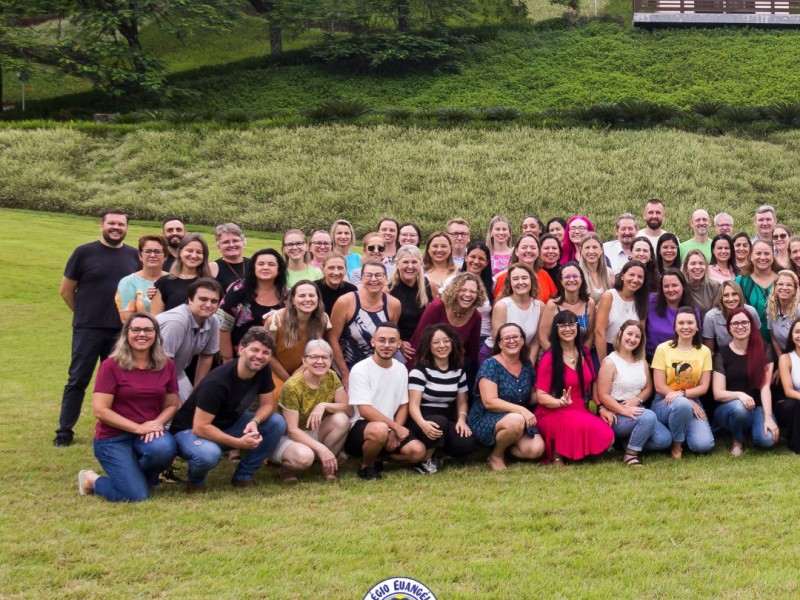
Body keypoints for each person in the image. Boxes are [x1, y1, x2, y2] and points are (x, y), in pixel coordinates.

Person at [55, 209, 140, 447]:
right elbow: (66, 291)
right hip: (88, 329)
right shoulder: (84, 252)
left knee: (119, 382)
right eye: (112, 223)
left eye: (121, 224)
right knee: (78, 378)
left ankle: (116, 429)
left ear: (126, 228)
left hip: (121, 331)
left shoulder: (133, 256)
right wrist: (84, 315)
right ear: (101, 225)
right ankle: (64, 431)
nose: (116, 228)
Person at [76, 313, 179, 501]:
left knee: (164, 448)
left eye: (148, 330)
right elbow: (100, 410)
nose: (142, 334)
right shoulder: (110, 366)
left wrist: (158, 423)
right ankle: (92, 480)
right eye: (136, 329)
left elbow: (172, 404)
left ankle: (144, 480)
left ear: (156, 334)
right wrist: (137, 428)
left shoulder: (167, 364)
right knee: (135, 496)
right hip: (113, 438)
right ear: (126, 333)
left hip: (148, 434)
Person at [170, 327, 286, 491]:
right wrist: (239, 443)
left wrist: (255, 421)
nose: (260, 356)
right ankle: (196, 482)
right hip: (189, 431)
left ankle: (243, 476)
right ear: (241, 349)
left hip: (226, 424)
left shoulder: (262, 369)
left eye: (266, 353)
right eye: (255, 350)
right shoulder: (217, 382)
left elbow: (267, 404)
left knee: (276, 422)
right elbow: (200, 427)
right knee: (209, 454)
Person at [344, 322, 426, 480]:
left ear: (399, 344)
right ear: (373, 342)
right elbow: (365, 410)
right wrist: (395, 427)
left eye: (392, 341)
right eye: (382, 340)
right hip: (361, 428)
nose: (387, 345)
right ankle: (366, 466)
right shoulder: (360, 369)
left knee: (418, 452)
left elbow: (403, 404)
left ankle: (379, 458)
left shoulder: (401, 369)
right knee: (380, 429)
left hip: (389, 427)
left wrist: (395, 431)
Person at [535, 311, 614, 465]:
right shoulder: (549, 357)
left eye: (571, 324)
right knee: (573, 426)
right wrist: (559, 402)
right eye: (562, 325)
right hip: (552, 410)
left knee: (609, 437)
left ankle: (574, 450)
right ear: (556, 329)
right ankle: (558, 454)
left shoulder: (585, 353)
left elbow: (592, 386)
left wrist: (601, 407)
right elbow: (541, 395)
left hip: (579, 409)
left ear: (577, 327)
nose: (568, 329)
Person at [272, 339, 352, 482]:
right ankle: (286, 468)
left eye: (325, 357)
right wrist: (322, 449)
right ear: (304, 360)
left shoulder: (331, 376)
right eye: (314, 357)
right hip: (288, 437)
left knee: (342, 419)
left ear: (330, 360)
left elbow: (348, 409)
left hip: (313, 431)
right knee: (305, 458)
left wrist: (324, 405)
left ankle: (326, 466)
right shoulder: (293, 386)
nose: (320, 361)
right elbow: (292, 430)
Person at [468, 323, 544, 470]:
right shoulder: (490, 365)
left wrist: (550, 395)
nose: (512, 341)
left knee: (536, 450)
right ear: (499, 344)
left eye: (516, 337)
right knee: (516, 420)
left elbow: (529, 397)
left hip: (515, 418)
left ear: (523, 340)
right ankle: (496, 455)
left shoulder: (526, 365)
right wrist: (522, 410)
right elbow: (490, 402)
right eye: (506, 338)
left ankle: (506, 442)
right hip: (486, 417)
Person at [596, 320, 671, 466]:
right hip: (615, 414)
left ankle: (626, 441)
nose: (633, 339)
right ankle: (631, 454)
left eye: (637, 336)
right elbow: (602, 395)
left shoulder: (641, 361)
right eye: (629, 334)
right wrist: (624, 409)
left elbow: (648, 388)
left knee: (664, 439)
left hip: (637, 409)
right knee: (649, 416)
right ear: (620, 334)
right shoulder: (610, 362)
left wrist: (637, 399)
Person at [408, 325, 475, 473]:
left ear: (453, 342)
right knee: (439, 422)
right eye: (436, 342)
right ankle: (424, 461)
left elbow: (462, 401)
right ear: (428, 346)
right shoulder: (420, 370)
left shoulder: (458, 370)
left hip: (445, 417)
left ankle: (437, 454)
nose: (442, 345)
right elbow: (413, 405)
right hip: (420, 418)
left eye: (446, 341)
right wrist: (422, 424)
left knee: (466, 443)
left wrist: (461, 420)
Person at [713, 308, 778, 456]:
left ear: (751, 325)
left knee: (767, 440)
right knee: (739, 408)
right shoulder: (722, 354)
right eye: (735, 323)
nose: (740, 326)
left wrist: (768, 418)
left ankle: (750, 432)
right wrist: (739, 395)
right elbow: (718, 393)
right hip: (730, 408)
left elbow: (765, 388)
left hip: (757, 407)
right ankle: (738, 440)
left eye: (744, 322)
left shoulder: (765, 349)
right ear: (729, 328)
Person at [651, 307, 715, 458]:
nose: (686, 326)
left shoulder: (704, 351)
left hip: (692, 399)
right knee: (682, 404)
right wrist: (686, 400)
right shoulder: (663, 349)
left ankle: (681, 429)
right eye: (681, 323)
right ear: (675, 327)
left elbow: (704, 386)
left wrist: (685, 397)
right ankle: (677, 445)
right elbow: (659, 386)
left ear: (697, 326)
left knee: (703, 445)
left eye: (690, 323)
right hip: (663, 402)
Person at [329, 259, 401, 388]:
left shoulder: (393, 304)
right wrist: (345, 375)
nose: (373, 279)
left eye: (378, 275)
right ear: (361, 278)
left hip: (380, 364)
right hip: (350, 364)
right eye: (368, 275)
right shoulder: (345, 302)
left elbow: (392, 337)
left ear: (386, 278)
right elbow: (332, 339)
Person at [217, 249, 288, 364]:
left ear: (279, 269)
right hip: (238, 359)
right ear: (253, 267)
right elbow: (223, 324)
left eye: (271, 264)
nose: (265, 267)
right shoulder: (239, 289)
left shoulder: (286, 296)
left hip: (273, 361)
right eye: (261, 264)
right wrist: (228, 359)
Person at [157, 277, 222, 402]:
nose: (209, 305)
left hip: (178, 372)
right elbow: (162, 363)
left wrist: (197, 393)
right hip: (151, 374)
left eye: (214, 301)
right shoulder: (177, 322)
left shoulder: (213, 320)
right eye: (203, 299)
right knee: (176, 410)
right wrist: (174, 402)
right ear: (190, 300)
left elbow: (207, 356)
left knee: (193, 407)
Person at [264, 280, 330, 396]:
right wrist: (289, 380)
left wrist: (296, 377)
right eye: (302, 296)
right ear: (292, 300)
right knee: (280, 395)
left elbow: (314, 352)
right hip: (275, 371)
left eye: (311, 295)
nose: (307, 299)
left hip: (306, 369)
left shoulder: (322, 320)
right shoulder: (275, 321)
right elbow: (267, 354)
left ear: (318, 299)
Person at [411, 272, 484, 366]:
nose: (467, 294)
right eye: (463, 290)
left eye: (473, 291)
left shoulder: (476, 316)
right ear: (455, 291)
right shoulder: (437, 307)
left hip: (453, 365)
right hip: (424, 361)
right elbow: (420, 341)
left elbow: (472, 352)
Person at [481, 264, 543, 365]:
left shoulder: (540, 306)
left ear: (531, 280)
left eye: (524, 278)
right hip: (495, 355)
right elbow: (499, 341)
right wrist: (513, 368)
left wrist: (528, 366)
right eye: (515, 279)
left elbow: (535, 342)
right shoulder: (502, 306)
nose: (520, 282)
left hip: (524, 356)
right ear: (510, 283)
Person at [388, 245, 435, 366]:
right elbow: (386, 323)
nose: (410, 266)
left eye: (414, 262)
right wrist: (399, 342)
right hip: (403, 347)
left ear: (420, 264)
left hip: (426, 344)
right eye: (405, 262)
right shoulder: (389, 289)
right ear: (397, 264)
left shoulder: (428, 285)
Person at [594, 260, 648, 364]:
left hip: (630, 352)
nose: (635, 279)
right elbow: (599, 332)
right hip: (607, 349)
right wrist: (604, 362)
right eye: (631, 275)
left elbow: (641, 333)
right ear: (622, 276)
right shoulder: (609, 296)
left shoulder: (642, 301)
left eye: (640, 277)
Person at [539, 262, 596, 353]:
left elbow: (589, 336)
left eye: (575, 276)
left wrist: (582, 356)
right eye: (567, 277)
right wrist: (562, 356)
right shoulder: (552, 305)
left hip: (582, 355)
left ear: (581, 279)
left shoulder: (589, 303)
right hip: (556, 354)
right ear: (561, 281)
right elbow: (543, 338)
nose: (572, 279)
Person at [151, 233, 213, 314]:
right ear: (180, 252)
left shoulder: (211, 284)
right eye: (189, 250)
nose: (194, 255)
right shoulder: (163, 282)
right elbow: (156, 318)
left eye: (199, 252)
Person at [448, 242, 494, 350]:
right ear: (465, 258)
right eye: (472, 257)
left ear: (487, 262)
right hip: (455, 335)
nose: (476, 261)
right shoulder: (452, 281)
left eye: (481, 259)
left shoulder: (493, 284)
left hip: (483, 337)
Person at [116, 235, 168, 323]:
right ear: (140, 255)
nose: (152, 255)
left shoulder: (173, 280)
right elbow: (126, 319)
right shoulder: (128, 282)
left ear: (165, 256)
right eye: (148, 251)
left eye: (157, 251)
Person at [735, 239, 780, 342]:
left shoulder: (782, 279)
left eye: (767, 253)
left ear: (773, 256)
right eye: (758, 253)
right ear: (750, 256)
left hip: (781, 340)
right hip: (749, 340)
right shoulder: (740, 282)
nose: (762, 257)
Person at [646, 268, 696, 360]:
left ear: (683, 286)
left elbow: (695, 341)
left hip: (680, 360)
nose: (670, 289)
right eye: (666, 286)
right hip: (650, 358)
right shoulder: (650, 301)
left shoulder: (692, 311)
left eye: (674, 285)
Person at [493, 234, 557, 304]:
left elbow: (555, 303)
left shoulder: (544, 275)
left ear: (538, 251)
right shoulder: (504, 277)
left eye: (533, 248)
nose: (529, 250)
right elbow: (497, 306)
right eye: (524, 247)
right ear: (516, 251)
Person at [702, 281, 761, 353]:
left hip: (749, 352)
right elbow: (709, 350)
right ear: (721, 298)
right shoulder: (711, 316)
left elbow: (757, 338)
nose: (731, 299)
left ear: (740, 295)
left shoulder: (751, 311)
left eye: (734, 294)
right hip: (723, 356)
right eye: (726, 295)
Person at [777, 317, 800, 454]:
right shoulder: (786, 358)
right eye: (797, 332)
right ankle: (796, 445)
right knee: (795, 405)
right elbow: (788, 391)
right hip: (790, 403)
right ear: (791, 336)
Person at [766, 270, 800, 358]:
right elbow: (773, 337)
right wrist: (782, 358)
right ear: (775, 288)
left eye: (789, 285)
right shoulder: (772, 310)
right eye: (780, 284)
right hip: (785, 355)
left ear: (795, 290)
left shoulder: (799, 310)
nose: (784, 287)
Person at [209, 223, 249, 292]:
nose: (231, 245)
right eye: (226, 242)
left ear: (243, 243)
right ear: (218, 246)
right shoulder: (213, 268)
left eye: (235, 241)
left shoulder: (254, 265)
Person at [681, 249, 720, 318]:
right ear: (686, 267)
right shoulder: (681, 286)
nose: (697, 267)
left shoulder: (714, 286)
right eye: (693, 263)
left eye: (701, 263)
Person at [579, 232, 613, 306]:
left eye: (595, 247)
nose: (591, 251)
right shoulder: (578, 275)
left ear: (601, 249)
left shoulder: (609, 273)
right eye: (587, 247)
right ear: (581, 250)